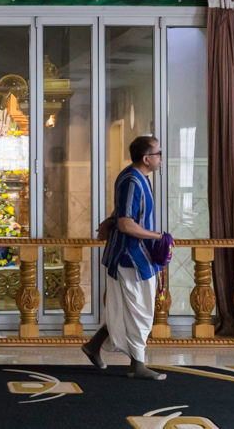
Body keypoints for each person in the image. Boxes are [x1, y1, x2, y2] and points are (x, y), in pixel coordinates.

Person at [82, 135, 167, 380]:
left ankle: (93, 346)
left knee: (127, 311)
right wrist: (157, 236)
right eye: (158, 153)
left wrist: (109, 221)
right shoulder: (132, 180)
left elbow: (120, 213)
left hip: (138, 256)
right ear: (146, 159)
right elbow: (126, 223)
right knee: (139, 310)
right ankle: (138, 364)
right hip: (130, 257)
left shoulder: (141, 178)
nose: (161, 158)